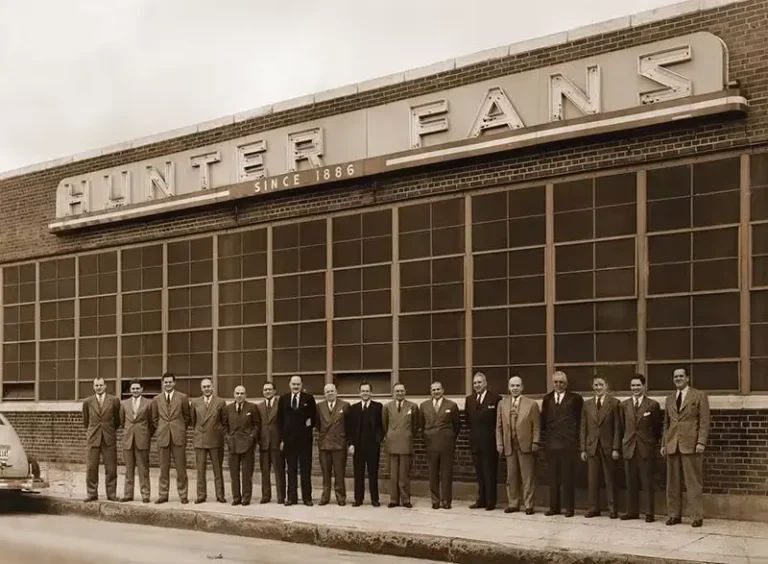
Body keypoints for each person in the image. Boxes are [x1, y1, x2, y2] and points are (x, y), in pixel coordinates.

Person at [662, 368, 710, 528]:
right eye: (675, 376)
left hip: (691, 444)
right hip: (672, 444)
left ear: (687, 378)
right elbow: (666, 424)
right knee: (672, 483)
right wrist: (664, 443)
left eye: (681, 376)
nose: (678, 379)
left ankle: (696, 515)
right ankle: (674, 514)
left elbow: (704, 421)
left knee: (693, 481)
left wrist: (701, 442)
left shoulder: (699, 396)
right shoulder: (669, 398)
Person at [540, 370, 583, 517]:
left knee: (567, 478)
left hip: (568, 445)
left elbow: (579, 421)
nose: (558, 385)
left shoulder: (575, 399)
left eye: (561, 382)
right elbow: (544, 421)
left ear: (566, 384)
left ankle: (569, 508)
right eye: (556, 382)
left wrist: (575, 440)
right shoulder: (547, 399)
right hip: (552, 445)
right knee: (553, 478)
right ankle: (554, 508)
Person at [620, 374, 662, 522]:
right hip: (629, 448)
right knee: (630, 481)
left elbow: (657, 428)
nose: (635, 388)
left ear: (644, 386)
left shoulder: (652, 405)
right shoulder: (624, 405)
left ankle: (649, 512)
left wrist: (650, 442)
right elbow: (622, 427)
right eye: (633, 386)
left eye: (638, 385)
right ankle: (632, 511)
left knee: (647, 481)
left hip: (645, 448)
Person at [496, 375, 540, 515]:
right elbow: (499, 426)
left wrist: (535, 442)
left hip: (525, 444)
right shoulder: (502, 404)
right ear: (509, 388)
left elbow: (537, 426)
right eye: (512, 386)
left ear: (522, 387)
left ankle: (528, 505)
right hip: (509, 444)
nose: (515, 388)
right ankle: (513, 503)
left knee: (527, 476)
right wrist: (499, 443)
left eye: (517, 386)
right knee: (512, 476)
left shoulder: (531, 404)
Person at [580, 376, 621, 519]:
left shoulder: (614, 403)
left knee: (610, 478)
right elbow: (583, 428)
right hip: (592, 446)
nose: (598, 387)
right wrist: (583, 448)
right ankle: (593, 508)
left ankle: (612, 508)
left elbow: (617, 428)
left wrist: (616, 448)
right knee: (592, 479)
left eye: (601, 385)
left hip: (608, 446)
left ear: (606, 386)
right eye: (595, 385)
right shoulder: (587, 404)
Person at [420, 381, 461, 510]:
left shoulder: (452, 405)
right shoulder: (424, 406)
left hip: (446, 445)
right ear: (430, 392)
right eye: (433, 390)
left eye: (438, 389)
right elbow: (421, 425)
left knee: (446, 473)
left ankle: (446, 500)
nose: (436, 392)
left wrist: (449, 437)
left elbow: (457, 425)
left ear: (443, 390)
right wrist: (426, 437)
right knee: (432, 473)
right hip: (431, 444)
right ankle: (435, 500)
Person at [277, 375, 317, 506]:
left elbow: (313, 418)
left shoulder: (309, 399)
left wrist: (307, 426)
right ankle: (291, 498)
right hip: (289, 441)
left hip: (304, 441)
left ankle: (307, 498)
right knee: (291, 470)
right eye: (293, 384)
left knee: (305, 470)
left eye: (298, 384)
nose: (295, 386)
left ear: (301, 385)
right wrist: (282, 439)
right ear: (289, 384)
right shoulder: (283, 399)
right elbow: (280, 421)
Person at [152, 372, 191, 504]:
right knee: (163, 468)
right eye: (166, 382)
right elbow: (155, 419)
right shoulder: (157, 399)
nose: (168, 384)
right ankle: (163, 494)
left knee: (181, 468)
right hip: (163, 437)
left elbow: (187, 417)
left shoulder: (182, 397)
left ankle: (183, 494)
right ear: (163, 383)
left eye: (170, 382)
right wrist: (162, 429)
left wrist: (178, 428)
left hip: (178, 436)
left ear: (174, 383)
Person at [465, 371, 501, 511]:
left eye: (479, 382)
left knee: (490, 472)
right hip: (476, 442)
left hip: (490, 442)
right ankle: (481, 500)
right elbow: (468, 421)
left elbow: (498, 421)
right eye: (475, 383)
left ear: (485, 383)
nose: (477, 385)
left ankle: (491, 502)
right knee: (479, 473)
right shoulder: (469, 400)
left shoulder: (495, 399)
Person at [346, 381, 384, 507]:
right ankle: (358, 499)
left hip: (373, 446)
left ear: (371, 392)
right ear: (359, 393)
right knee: (358, 473)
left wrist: (378, 440)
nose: (365, 393)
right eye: (363, 391)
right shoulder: (354, 408)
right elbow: (350, 428)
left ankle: (375, 499)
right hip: (358, 446)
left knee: (373, 473)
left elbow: (381, 426)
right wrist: (351, 444)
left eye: (367, 391)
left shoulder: (378, 407)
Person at [82, 377, 120, 502]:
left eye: (101, 385)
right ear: (93, 387)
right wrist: (94, 432)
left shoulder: (114, 400)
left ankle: (111, 493)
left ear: (105, 386)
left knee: (111, 468)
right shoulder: (87, 402)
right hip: (93, 438)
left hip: (108, 438)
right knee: (91, 467)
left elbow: (117, 421)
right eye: (96, 385)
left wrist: (108, 430)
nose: (99, 387)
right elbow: (86, 421)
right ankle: (92, 493)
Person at [382, 383, 420, 508]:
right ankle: (393, 499)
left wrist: (408, 435)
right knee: (393, 474)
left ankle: (405, 499)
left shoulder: (413, 407)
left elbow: (416, 426)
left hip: (405, 443)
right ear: (393, 393)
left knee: (404, 474)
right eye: (397, 391)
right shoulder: (387, 407)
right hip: (392, 443)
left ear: (405, 392)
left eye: (401, 391)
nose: (399, 393)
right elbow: (384, 424)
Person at [190, 378, 228, 504]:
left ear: (213, 387)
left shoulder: (220, 402)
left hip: (215, 440)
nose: (206, 388)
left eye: (208, 386)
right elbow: (193, 420)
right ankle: (201, 495)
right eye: (204, 387)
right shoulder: (195, 402)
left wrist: (217, 432)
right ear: (201, 388)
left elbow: (224, 421)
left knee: (217, 469)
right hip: (200, 439)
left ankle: (220, 495)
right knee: (200, 470)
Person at [119, 379, 154, 503]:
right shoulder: (124, 404)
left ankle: (145, 494)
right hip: (128, 440)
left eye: (137, 388)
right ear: (130, 390)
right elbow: (122, 421)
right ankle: (128, 494)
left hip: (142, 439)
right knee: (129, 469)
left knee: (143, 468)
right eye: (133, 388)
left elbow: (152, 423)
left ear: (142, 389)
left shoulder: (149, 403)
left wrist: (146, 434)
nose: (135, 390)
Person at [316, 383, 350, 506]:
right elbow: (318, 425)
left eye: (332, 391)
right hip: (324, 445)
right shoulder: (319, 406)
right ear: (324, 394)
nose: (330, 393)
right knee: (325, 472)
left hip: (339, 444)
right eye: (327, 391)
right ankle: (325, 497)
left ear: (336, 392)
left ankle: (341, 497)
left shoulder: (345, 406)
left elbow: (349, 426)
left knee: (339, 472)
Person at [225, 385, 259, 506]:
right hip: (233, 444)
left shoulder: (252, 407)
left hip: (247, 445)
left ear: (245, 395)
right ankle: (236, 497)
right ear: (234, 395)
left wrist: (251, 438)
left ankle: (246, 497)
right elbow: (224, 426)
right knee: (234, 473)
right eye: (237, 393)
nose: (239, 396)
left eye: (242, 393)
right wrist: (228, 438)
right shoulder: (228, 408)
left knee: (246, 473)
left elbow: (256, 425)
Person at [256, 381, 284, 504]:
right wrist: (258, 440)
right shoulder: (259, 407)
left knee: (279, 471)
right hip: (263, 443)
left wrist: (283, 440)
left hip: (276, 443)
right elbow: (257, 425)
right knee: (265, 472)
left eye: (269, 389)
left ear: (274, 391)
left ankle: (281, 496)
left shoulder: (281, 405)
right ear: (263, 392)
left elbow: (284, 424)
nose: (267, 391)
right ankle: (266, 496)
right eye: (265, 389)